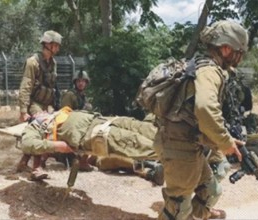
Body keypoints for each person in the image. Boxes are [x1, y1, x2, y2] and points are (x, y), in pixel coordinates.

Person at [155, 20, 248, 220]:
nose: (240, 58)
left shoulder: (200, 65)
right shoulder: (209, 71)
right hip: (179, 146)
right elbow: (205, 108)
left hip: (189, 144)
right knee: (177, 207)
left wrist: (225, 141)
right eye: (239, 52)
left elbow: (192, 116)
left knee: (211, 191)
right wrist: (225, 142)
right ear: (225, 48)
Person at [20, 107, 159, 180]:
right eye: (37, 113)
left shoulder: (55, 115)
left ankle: (177, 139)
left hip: (101, 120)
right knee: (137, 143)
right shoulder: (34, 126)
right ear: (33, 118)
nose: (41, 111)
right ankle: (176, 157)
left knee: (144, 128)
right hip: (91, 134)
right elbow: (26, 144)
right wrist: (58, 146)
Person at [17, 30, 62, 180]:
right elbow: (26, 86)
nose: (58, 48)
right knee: (43, 126)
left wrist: (55, 106)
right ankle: (37, 168)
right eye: (56, 45)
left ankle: (24, 161)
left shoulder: (53, 63)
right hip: (34, 102)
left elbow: (53, 86)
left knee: (55, 125)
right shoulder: (33, 62)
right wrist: (24, 110)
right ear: (48, 44)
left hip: (47, 103)